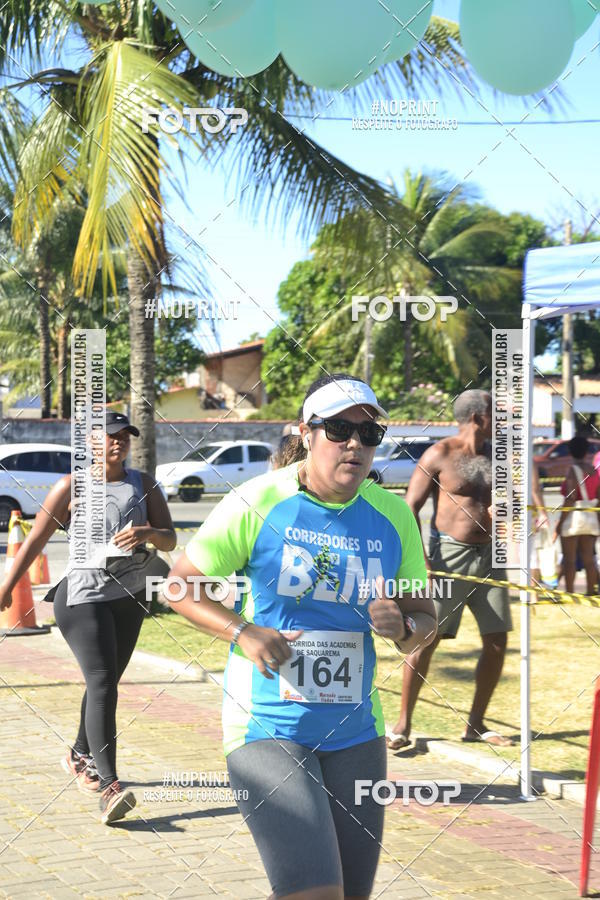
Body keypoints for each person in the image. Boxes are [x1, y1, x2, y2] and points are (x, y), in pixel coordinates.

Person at [166, 373, 437, 900]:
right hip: (266, 723)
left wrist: (403, 628)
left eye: (369, 433)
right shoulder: (258, 499)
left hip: (356, 731)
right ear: (307, 433)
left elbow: (425, 620)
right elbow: (179, 587)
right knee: (315, 893)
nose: (355, 444)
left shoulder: (394, 515)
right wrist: (243, 630)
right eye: (339, 429)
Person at [0, 411, 176, 824]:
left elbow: (170, 538)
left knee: (107, 681)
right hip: (82, 594)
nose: (119, 442)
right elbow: (37, 537)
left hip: (129, 595)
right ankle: (110, 785)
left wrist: (148, 534)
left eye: (125, 436)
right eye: (110, 436)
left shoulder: (145, 484)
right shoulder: (71, 485)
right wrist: (8, 586)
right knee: (100, 681)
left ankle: (79, 753)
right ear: (92, 443)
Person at [387, 389, 514, 751]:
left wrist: (502, 513)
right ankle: (403, 725)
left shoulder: (497, 455)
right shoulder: (440, 453)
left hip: (490, 557)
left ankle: (475, 724)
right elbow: (408, 507)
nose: (499, 420)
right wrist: (422, 563)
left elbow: (508, 504)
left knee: (497, 640)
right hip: (446, 559)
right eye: (494, 413)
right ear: (477, 417)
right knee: (426, 638)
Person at [553, 435, 600, 595]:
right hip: (590, 516)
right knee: (589, 558)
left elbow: (570, 498)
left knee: (570, 559)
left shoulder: (573, 470)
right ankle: (591, 591)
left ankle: (571, 592)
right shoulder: (593, 471)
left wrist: (560, 523)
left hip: (574, 518)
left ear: (571, 451)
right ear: (587, 451)